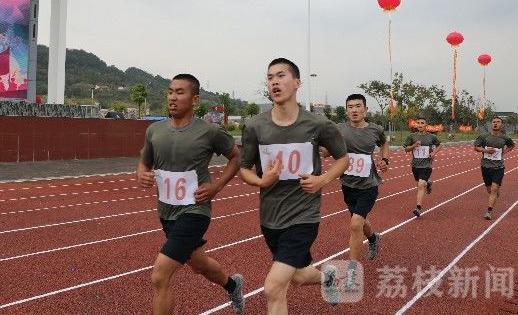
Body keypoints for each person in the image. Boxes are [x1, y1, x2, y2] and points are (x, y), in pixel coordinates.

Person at [239, 58, 349, 312]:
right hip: (270, 216)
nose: (274, 82)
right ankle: (327, 277)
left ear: (297, 83)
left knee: (274, 287)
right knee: (298, 276)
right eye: (270, 77)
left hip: (303, 216)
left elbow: (343, 159)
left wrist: (322, 179)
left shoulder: (319, 125)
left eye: (281, 76)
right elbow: (244, 168)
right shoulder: (255, 126)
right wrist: (261, 181)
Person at [137, 74, 244, 315]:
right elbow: (143, 164)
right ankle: (233, 285)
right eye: (170, 91)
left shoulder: (209, 132)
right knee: (200, 264)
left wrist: (216, 187)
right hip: (166, 212)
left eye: (180, 92)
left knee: (160, 275)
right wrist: (142, 174)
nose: (173, 97)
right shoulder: (154, 131)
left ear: (195, 99)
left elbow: (236, 158)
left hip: (195, 210)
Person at [336, 93, 389, 289]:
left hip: (369, 184)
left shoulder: (375, 129)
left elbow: (384, 143)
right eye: (350, 106)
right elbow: (328, 149)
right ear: (346, 110)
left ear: (365, 109)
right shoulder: (340, 129)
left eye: (358, 106)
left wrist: (385, 160)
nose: (354, 110)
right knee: (361, 222)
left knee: (355, 223)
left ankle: (352, 272)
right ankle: (374, 238)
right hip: (348, 185)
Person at [473, 116, 515, 220]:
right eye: (493, 122)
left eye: (498, 122)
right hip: (485, 166)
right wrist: (486, 151)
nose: (495, 123)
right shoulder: (484, 136)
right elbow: (476, 147)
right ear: (491, 124)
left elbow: (511, 145)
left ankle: (489, 212)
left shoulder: (505, 138)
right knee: (489, 189)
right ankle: (495, 194)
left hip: (498, 167)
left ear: (502, 125)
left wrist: (503, 152)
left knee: (494, 188)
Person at [403, 117, 442, 217]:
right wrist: (413, 145)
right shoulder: (412, 136)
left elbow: (439, 145)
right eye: (418, 123)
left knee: (420, 185)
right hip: (415, 165)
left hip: (426, 165)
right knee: (419, 185)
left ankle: (418, 208)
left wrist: (433, 152)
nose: (420, 125)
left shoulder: (431, 137)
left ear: (426, 125)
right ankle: (428, 183)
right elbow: (406, 149)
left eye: (422, 123)